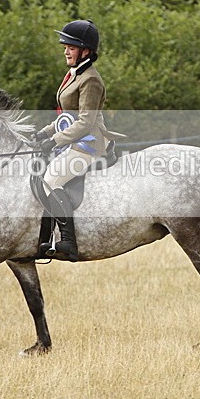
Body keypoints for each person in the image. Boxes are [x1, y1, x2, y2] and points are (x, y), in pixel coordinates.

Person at [33, 19, 125, 261]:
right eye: (65, 46)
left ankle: (68, 241)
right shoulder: (74, 74)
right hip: (73, 139)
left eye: (70, 47)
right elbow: (67, 116)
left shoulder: (91, 79)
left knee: (52, 178)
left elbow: (84, 121)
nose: (65, 50)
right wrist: (44, 133)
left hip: (88, 143)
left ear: (86, 51)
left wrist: (54, 140)